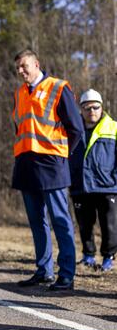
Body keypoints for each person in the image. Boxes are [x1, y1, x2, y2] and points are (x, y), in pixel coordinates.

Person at [12, 50, 84, 290]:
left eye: (24, 66)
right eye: (18, 68)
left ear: (36, 63)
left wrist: (63, 156)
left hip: (52, 165)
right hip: (26, 165)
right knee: (37, 222)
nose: (21, 71)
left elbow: (76, 129)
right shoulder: (19, 93)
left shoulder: (58, 87)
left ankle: (66, 274)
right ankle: (44, 271)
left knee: (60, 221)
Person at [69, 89, 117, 273]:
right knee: (84, 224)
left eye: (96, 107)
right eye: (87, 108)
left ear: (102, 107)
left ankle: (108, 257)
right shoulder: (73, 129)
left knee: (109, 225)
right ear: (81, 109)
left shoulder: (113, 127)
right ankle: (88, 255)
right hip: (80, 185)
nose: (92, 111)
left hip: (107, 186)